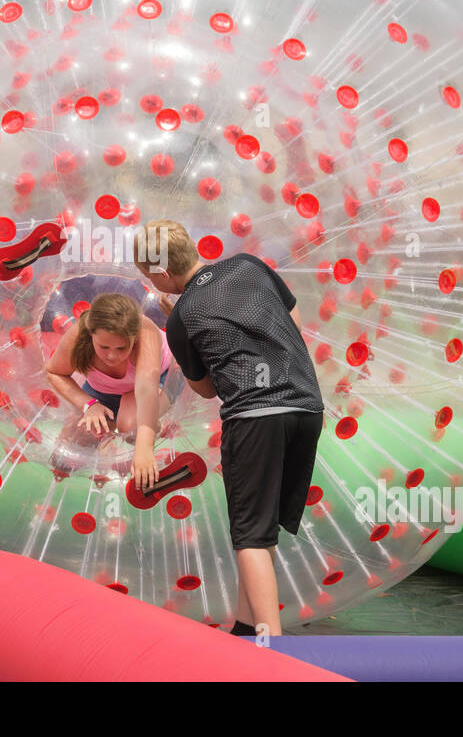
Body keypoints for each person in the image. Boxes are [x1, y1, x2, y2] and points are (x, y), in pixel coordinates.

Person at [133, 220, 323, 638]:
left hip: (255, 418)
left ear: (163, 274)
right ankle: (244, 625)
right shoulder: (249, 266)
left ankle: (272, 651)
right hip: (307, 407)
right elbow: (290, 314)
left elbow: (202, 389)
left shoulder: (183, 316)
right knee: (261, 526)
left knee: (250, 537)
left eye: (151, 277)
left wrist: (181, 329)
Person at [45, 292, 171, 488]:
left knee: (130, 425)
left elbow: (145, 392)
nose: (112, 356)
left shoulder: (146, 333)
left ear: (134, 338)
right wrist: (89, 405)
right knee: (70, 449)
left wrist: (144, 448)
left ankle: (153, 425)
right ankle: (108, 435)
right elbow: (54, 372)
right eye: (103, 347)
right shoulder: (80, 334)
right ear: (91, 334)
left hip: (155, 380)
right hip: (104, 387)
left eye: (122, 348)